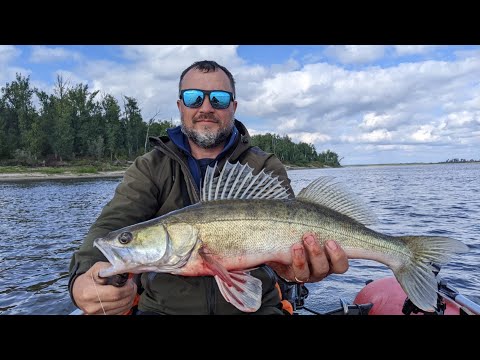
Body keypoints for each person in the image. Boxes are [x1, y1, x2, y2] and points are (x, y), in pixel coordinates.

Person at [68, 60, 349, 315]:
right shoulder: (151, 167)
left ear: (233, 107)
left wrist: (296, 271)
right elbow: (112, 224)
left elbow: (291, 252)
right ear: (180, 107)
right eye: (193, 98)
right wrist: (81, 279)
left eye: (219, 98)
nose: (205, 108)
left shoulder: (263, 166)